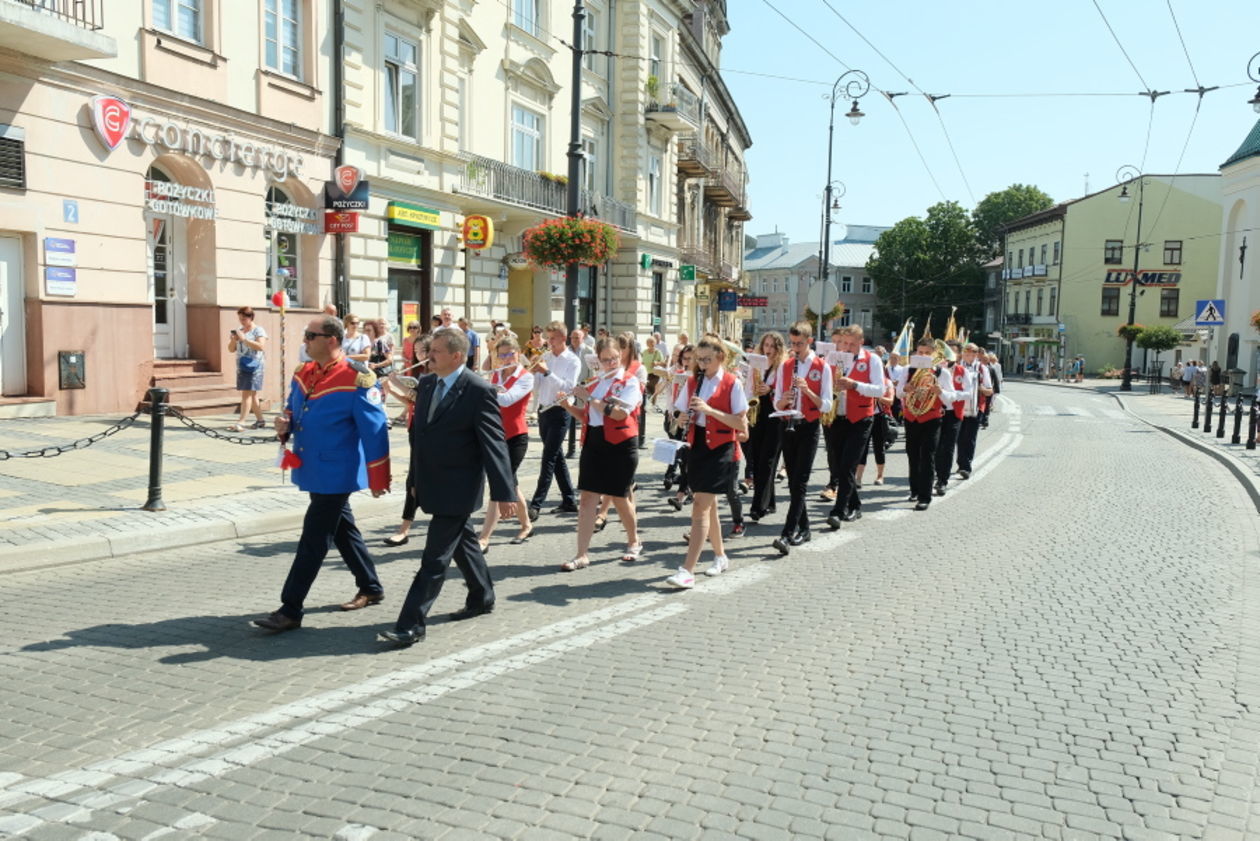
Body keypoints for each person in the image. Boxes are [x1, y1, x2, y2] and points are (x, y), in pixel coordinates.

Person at [379, 327, 517, 647]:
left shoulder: (478, 390)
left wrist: (504, 491)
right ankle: (482, 596)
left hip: (459, 486)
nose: (429, 356)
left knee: (435, 558)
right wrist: (414, 483)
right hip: (431, 482)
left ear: (457, 356)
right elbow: (420, 440)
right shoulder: (427, 384)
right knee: (463, 541)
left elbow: (494, 445)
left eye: (436, 351)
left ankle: (411, 623)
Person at [252, 315, 390, 632]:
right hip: (312, 465)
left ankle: (290, 608)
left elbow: (375, 429)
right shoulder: (304, 372)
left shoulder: (358, 378)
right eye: (305, 335)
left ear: (331, 339)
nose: (305, 341)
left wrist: (378, 476)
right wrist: (284, 422)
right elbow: (292, 407)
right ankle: (370, 586)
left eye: (310, 335)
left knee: (313, 538)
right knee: (343, 529)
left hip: (337, 471)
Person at [665, 335, 749, 588]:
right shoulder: (693, 381)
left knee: (700, 504)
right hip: (698, 445)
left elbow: (741, 425)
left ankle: (687, 569)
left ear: (720, 357)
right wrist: (680, 419)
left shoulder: (732, 383)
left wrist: (710, 411)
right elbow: (679, 411)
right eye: (699, 360)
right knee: (708, 504)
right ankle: (721, 556)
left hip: (722, 447)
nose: (702, 365)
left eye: (707, 360)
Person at [555, 337, 643, 570]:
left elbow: (619, 414)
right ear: (598, 360)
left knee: (620, 497)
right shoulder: (595, 382)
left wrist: (590, 398)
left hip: (621, 444)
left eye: (614, 358)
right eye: (605, 360)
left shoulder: (629, 382)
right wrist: (566, 405)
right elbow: (586, 417)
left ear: (621, 356)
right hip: (594, 441)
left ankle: (634, 540)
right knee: (587, 500)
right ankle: (581, 554)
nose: (610, 363)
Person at [771, 321, 832, 556]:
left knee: (801, 481)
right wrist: (784, 400)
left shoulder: (821, 367)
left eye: (799, 343)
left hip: (808, 426)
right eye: (792, 343)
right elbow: (776, 401)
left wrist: (807, 391)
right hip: (787, 424)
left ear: (809, 341)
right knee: (794, 481)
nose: (794, 348)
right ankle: (805, 528)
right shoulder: (786, 366)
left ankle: (787, 533)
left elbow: (826, 404)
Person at [824, 325, 887, 529]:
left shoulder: (872, 360)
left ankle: (838, 511)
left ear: (861, 342)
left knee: (847, 466)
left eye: (851, 343)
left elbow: (879, 389)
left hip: (860, 419)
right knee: (839, 465)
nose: (847, 347)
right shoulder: (835, 358)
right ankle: (856, 505)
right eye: (844, 343)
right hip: (837, 417)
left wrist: (855, 385)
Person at [477, 336, 535, 550]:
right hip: (495, 436)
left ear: (518, 353)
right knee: (511, 483)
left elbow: (508, 399)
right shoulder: (495, 375)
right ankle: (526, 524)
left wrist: (484, 388)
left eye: (510, 353)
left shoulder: (526, 377)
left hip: (516, 437)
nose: (506, 358)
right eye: (502, 355)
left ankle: (484, 537)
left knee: (500, 483)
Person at [897, 338, 966, 511]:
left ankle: (924, 496)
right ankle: (914, 489)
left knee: (928, 456)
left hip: (932, 418)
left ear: (934, 354)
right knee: (913, 455)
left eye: (927, 353)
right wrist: (906, 389)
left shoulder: (942, 373)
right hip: (911, 417)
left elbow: (951, 399)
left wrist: (940, 392)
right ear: (915, 353)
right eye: (920, 353)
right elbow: (898, 394)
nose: (923, 356)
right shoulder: (908, 369)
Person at [527, 322, 581, 520]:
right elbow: (537, 387)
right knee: (556, 456)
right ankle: (569, 499)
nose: (549, 342)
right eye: (548, 338)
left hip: (560, 411)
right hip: (544, 411)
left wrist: (547, 372)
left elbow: (568, 387)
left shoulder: (572, 360)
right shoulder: (546, 357)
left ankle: (536, 504)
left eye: (552, 338)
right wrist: (533, 372)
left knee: (548, 458)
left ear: (563, 339)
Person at [382, 333, 430, 547]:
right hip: (415, 429)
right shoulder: (420, 374)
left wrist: (397, 384)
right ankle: (404, 528)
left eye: (423, 350)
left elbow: (420, 398)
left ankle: (405, 529)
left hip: (430, 433)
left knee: (417, 480)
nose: (420, 355)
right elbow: (413, 403)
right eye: (417, 351)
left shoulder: (435, 375)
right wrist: (391, 390)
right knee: (413, 480)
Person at [746, 332, 785, 522]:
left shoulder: (782, 367)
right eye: (766, 345)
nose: (768, 350)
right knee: (757, 458)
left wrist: (771, 389)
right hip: (757, 414)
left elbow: (787, 390)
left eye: (772, 346)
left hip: (775, 416)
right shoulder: (757, 365)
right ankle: (770, 502)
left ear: (778, 349)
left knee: (767, 462)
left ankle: (758, 506)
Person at [933, 340, 971, 498]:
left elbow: (969, 393)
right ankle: (934, 473)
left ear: (958, 355)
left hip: (953, 413)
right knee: (934, 447)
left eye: (951, 352)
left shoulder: (963, 371)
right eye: (944, 353)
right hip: (934, 411)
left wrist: (953, 395)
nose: (946, 357)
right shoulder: (935, 370)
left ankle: (942, 480)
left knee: (947, 448)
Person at [955, 343, 994, 480]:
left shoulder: (982, 369)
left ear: (977, 355)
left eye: (972, 354)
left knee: (970, 437)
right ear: (962, 354)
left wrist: (981, 389)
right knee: (959, 437)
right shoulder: (956, 367)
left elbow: (990, 391)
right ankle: (961, 463)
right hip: (958, 407)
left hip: (976, 408)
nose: (969, 356)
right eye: (966, 354)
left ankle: (966, 466)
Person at [227, 306, 268, 432]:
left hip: (255, 367)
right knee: (253, 395)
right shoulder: (240, 330)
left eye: (244, 319)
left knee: (246, 394)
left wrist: (245, 339)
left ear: (251, 317)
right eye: (240, 319)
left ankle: (241, 422)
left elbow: (261, 346)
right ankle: (260, 421)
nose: (242, 322)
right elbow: (231, 349)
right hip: (242, 366)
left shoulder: (258, 330)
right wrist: (234, 340)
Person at [566, 328, 591, 459]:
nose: (574, 340)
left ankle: (580, 444)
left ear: (583, 338)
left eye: (577, 338)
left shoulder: (589, 351)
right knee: (570, 414)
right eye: (572, 337)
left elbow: (592, 373)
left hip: (583, 387)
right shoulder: (566, 351)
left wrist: (587, 387)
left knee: (583, 416)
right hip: (569, 387)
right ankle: (571, 447)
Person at [641, 336, 666, 411]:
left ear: (655, 343)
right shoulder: (644, 352)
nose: (651, 344)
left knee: (652, 387)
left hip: (655, 374)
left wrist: (657, 363)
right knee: (649, 389)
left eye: (653, 342)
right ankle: (653, 404)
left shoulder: (658, 352)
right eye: (649, 342)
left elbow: (663, 363)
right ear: (647, 344)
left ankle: (653, 404)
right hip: (647, 373)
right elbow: (642, 362)